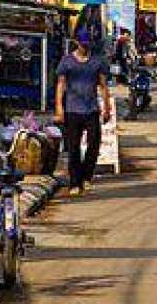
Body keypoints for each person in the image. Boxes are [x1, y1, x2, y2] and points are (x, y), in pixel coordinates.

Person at [54, 29, 113, 196]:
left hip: (91, 109)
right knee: (73, 148)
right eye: (82, 44)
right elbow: (61, 84)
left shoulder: (97, 61)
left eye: (88, 44)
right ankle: (75, 182)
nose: (85, 47)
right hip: (73, 110)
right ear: (76, 42)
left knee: (94, 144)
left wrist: (107, 107)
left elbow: (103, 85)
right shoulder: (67, 62)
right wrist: (59, 106)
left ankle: (87, 175)